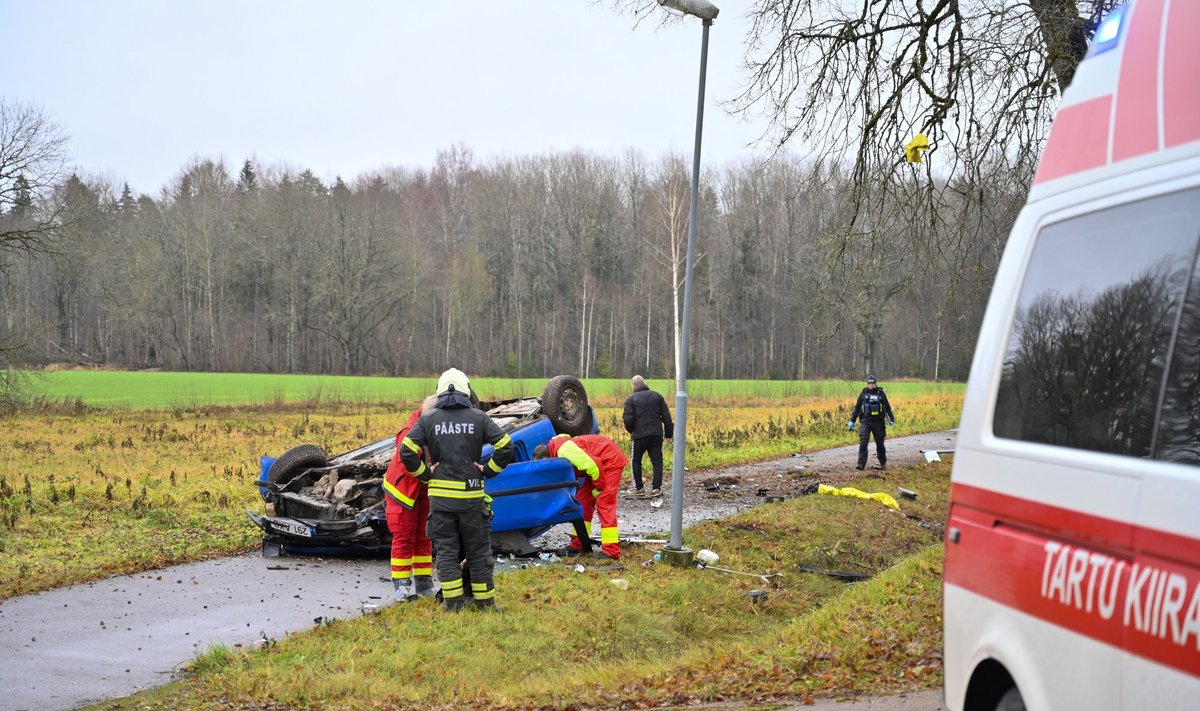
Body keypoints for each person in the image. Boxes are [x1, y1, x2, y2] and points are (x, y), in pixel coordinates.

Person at [401, 368, 514, 611]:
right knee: (479, 552)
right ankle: (485, 604)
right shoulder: (479, 418)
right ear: (466, 389)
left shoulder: (428, 419)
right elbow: (506, 447)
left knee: (447, 553)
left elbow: (406, 451)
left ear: (440, 391)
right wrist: (488, 470)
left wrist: (426, 474)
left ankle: (453, 605)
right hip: (472, 501)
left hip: (441, 504)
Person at [532, 433, 628, 559]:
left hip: (609, 462)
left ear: (545, 459)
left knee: (604, 502)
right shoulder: (556, 451)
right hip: (595, 469)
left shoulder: (565, 450)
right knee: (582, 502)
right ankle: (579, 544)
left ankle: (611, 551)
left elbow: (593, 465)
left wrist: (599, 488)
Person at [382, 395, 438, 602]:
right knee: (404, 538)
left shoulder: (429, 425)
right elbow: (408, 462)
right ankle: (402, 586)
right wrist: (429, 473)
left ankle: (424, 584)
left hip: (422, 491)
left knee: (424, 537)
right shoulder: (410, 432)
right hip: (402, 493)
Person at [621, 375, 673, 497]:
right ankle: (656, 489)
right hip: (656, 434)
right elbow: (666, 416)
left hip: (639, 436)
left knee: (636, 461)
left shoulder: (630, 400)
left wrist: (631, 430)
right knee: (657, 461)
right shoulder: (657, 396)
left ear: (633, 385)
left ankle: (639, 488)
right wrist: (669, 434)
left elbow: (628, 419)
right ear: (644, 383)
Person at [848, 374, 895, 470]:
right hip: (866, 421)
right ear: (867, 384)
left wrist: (891, 419)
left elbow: (887, 407)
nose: (871, 385)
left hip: (878, 422)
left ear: (876, 383)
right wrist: (852, 421)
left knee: (880, 443)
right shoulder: (864, 393)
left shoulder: (881, 393)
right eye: (869, 384)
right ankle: (861, 464)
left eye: (873, 383)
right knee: (863, 441)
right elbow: (857, 408)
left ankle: (883, 463)